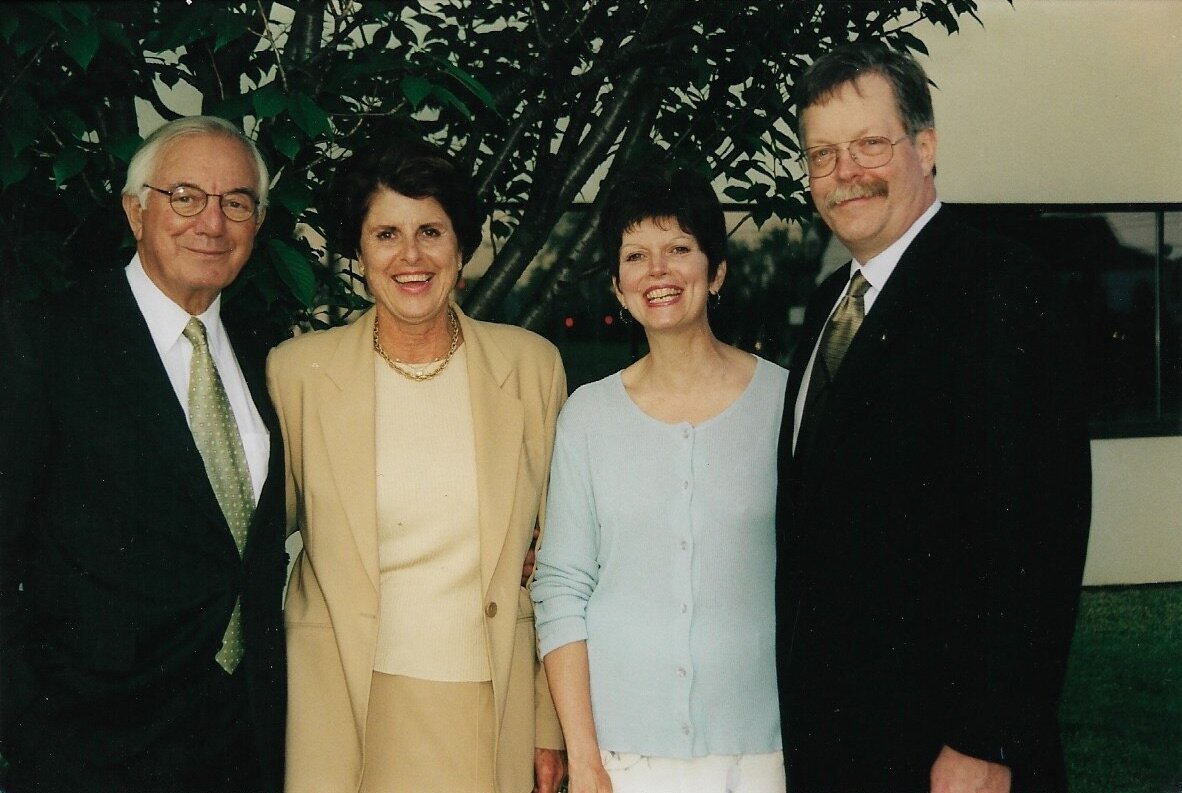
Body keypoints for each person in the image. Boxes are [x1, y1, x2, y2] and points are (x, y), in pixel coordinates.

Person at [775, 43, 1092, 793]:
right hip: (839, 747)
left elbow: (1039, 531)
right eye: (822, 154)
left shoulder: (1001, 287)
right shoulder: (827, 304)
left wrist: (989, 737)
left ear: (925, 145)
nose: (844, 171)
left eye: (868, 144)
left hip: (949, 757)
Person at [267, 136, 567, 793]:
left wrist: (550, 720)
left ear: (462, 247)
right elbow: (250, 540)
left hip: (492, 703)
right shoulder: (299, 374)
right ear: (358, 251)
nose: (411, 256)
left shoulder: (531, 368)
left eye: (431, 231)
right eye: (386, 234)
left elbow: (564, 567)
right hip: (345, 704)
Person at [0, 115, 287, 792]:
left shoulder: (265, 349)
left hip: (247, 742)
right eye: (185, 196)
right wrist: (23, 722)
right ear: (136, 210)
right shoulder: (42, 341)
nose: (211, 223)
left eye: (236, 202)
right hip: (89, 750)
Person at [533, 166, 789, 793]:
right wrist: (586, 758)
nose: (659, 271)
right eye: (636, 256)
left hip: (763, 752)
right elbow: (562, 587)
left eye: (679, 249)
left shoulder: (784, 402)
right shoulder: (588, 416)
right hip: (624, 759)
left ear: (717, 269)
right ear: (618, 287)